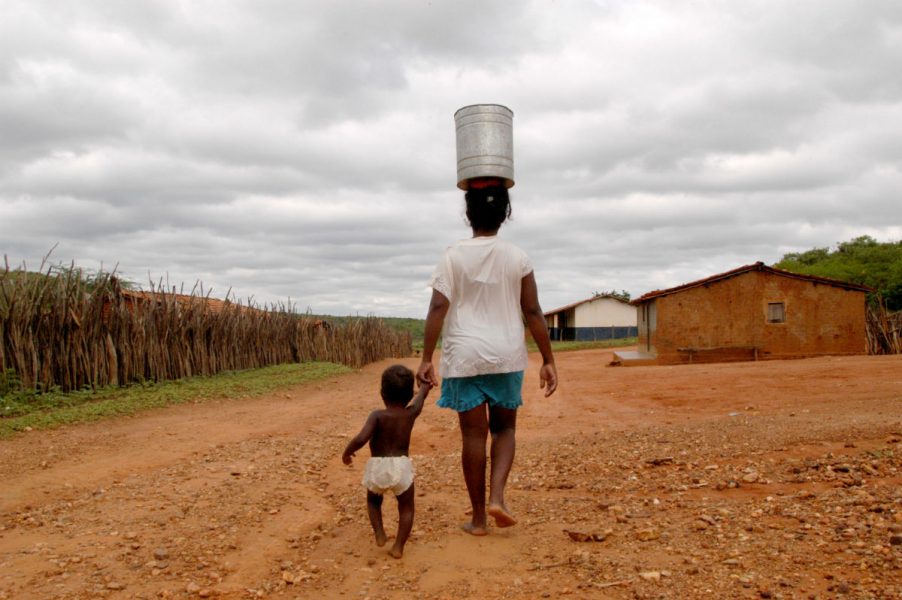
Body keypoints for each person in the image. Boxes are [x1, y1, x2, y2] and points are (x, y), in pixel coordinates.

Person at [417, 178, 558, 536]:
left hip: (463, 356)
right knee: (505, 428)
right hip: (506, 354)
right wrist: (548, 359)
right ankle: (498, 496)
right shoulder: (518, 258)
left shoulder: (451, 256)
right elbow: (533, 311)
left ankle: (479, 519)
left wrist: (425, 358)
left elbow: (437, 305)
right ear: (505, 213)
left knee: (474, 438)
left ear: (468, 214)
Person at [342, 364, 432, 558]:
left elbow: (361, 438)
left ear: (382, 393)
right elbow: (420, 399)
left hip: (378, 466)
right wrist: (425, 386)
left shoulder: (377, 416)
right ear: (409, 393)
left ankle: (380, 532)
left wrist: (347, 452)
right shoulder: (410, 414)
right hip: (401, 467)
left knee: (373, 501)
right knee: (407, 507)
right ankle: (399, 546)